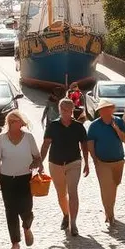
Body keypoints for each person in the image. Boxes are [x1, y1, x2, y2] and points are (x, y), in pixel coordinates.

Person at [0, 110, 42, 249]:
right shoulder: (1, 138)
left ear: (21, 122)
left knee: (26, 208)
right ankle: (15, 242)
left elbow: (37, 156)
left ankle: (26, 227)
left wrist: (36, 163)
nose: (14, 123)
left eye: (16, 121)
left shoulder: (28, 137)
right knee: (10, 211)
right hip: (7, 178)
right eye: (11, 121)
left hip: (25, 177)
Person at [40, 98, 91, 237]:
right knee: (61, 194)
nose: (67, 113)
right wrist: (40, 162)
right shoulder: (53, 126)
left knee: (73, 191)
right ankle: (66, 214)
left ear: (73, 110)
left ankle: (73, 223)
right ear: (60, 110)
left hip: (73, 162)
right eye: (64, 110)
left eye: (69, 111)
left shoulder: (78, 127)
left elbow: (84, 146)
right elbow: (45, 145)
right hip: (55, 163)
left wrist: (86, 162)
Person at [85, 100, 125, 226]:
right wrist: (94, 159)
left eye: (108, 109)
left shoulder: (119, 122)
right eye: (102, 109)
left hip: (118, 161)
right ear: (99, 111)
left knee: (114, 186)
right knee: (106, 188)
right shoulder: (94, 125)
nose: (105, 111)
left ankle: (109, 210)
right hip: (102, 162)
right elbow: (90, 143)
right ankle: (109, 214)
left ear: (112, 110)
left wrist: (117, 130)